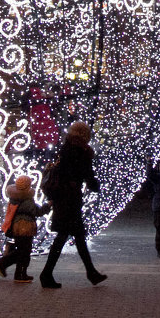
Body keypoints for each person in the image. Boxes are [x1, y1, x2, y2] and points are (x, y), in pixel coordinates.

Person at [39, 121, 106, 288]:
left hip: (63, 198)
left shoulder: (65, 148)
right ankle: (47, 274)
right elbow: (86, 174)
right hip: (70, 199)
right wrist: (95, 185)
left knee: (76, 237)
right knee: (64, 236)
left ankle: (91, 272)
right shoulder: (81, 151)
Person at [0, 175, 49, 282]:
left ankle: (19, 272)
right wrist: (48, 206)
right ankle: (10, 268)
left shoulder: (14, 198)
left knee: (22, 250)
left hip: (17, 227)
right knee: (23, 251)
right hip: (25, 227)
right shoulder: (27, 200)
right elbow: (37, 212)